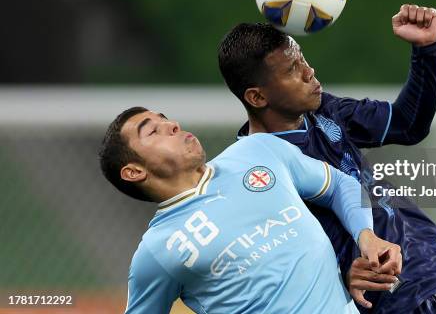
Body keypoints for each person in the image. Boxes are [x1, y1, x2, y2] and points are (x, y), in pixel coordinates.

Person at [218, 4, 436, 313]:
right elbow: (278, 268)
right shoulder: (256, 173)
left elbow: (408, 124)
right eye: (292, 70)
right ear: (257, 97)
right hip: (366, 301)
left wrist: (425, 50)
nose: (310, 72)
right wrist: (341, 278)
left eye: (302, 58)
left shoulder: (325, 111)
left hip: (409, 283)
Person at [98, 107, 402, 314]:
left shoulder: (257, 151)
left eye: (165, 119)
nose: (172, 125)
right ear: (134, 171)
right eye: (152, 132)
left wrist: (366, 236)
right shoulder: (156, 251)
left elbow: (339, 185)